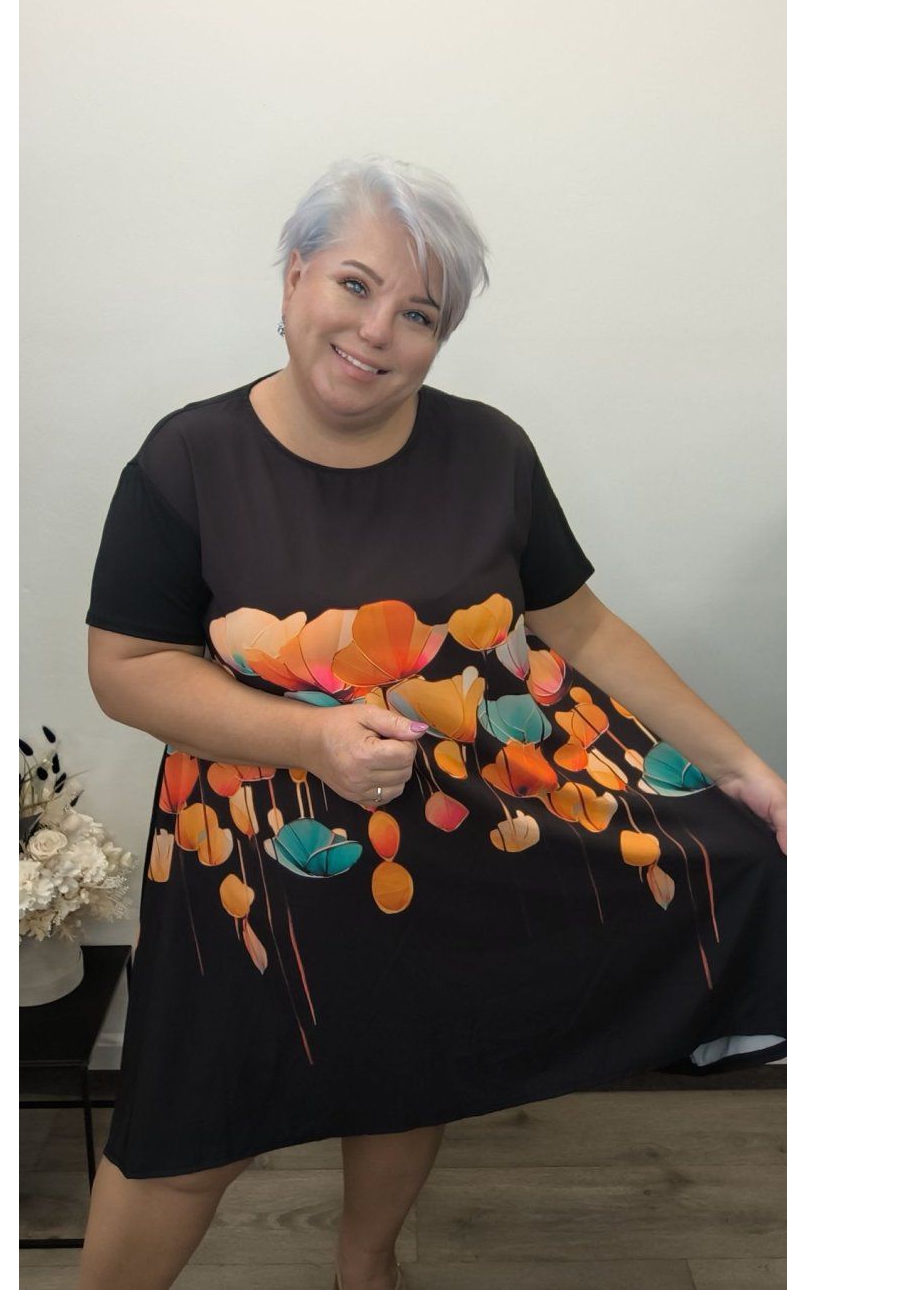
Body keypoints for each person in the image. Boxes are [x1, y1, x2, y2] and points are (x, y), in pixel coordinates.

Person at [80, 155, 787, 1290]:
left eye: (420, 313)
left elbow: (582, 629)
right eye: (355, 285)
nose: (378, 331)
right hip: (246, 868)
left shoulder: (489, 451)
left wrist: (749, 772)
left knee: (411, 1069)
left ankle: (367, 1270)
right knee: (185, 1125)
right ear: (295, 275)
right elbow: (126, 670)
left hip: (437, 849)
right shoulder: (190, 458)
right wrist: (311, 741)